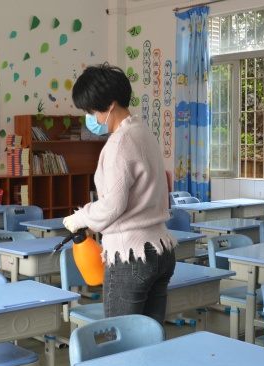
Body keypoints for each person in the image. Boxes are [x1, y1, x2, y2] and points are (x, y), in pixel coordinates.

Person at [62, 62, 177, 325]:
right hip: (160, 249)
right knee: (150, 336)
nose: (90, 117)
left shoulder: (119, 142)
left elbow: (112, 205)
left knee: (121, 338)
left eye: (91, 111)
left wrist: (80, 218)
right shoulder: (143, 132)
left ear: (110, 104)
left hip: (132, 254)